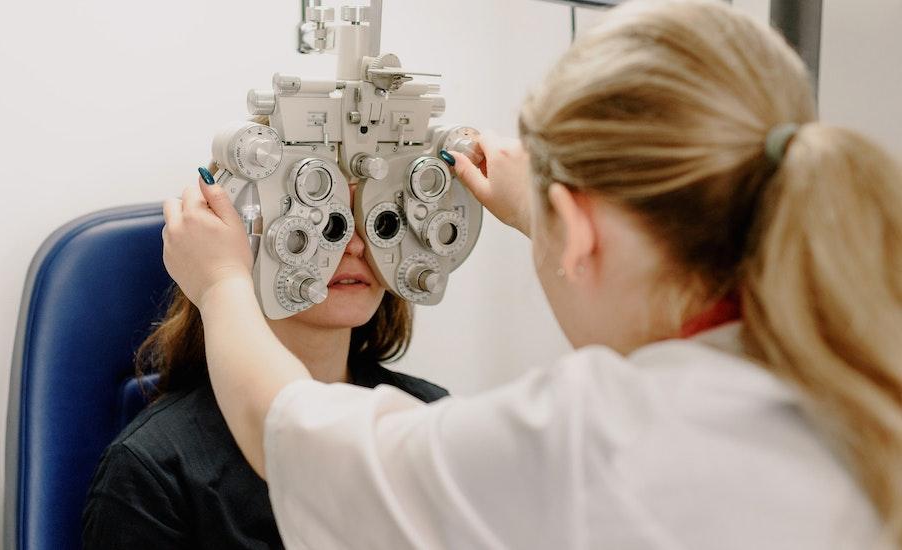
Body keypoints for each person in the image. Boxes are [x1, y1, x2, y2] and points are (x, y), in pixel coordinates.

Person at [160, 0, 902, 548]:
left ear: (577, 231)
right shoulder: (857, 375)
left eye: (373, 221)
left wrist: (222, 287)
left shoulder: (597, 443)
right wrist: (544, 212)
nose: (351, 245)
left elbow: (297, 439)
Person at [81, 178, 448, 549]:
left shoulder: (428, 415)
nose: (354, 245)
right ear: (243, 242)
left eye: (378, 223)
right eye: (325, 225)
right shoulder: (154, 471)